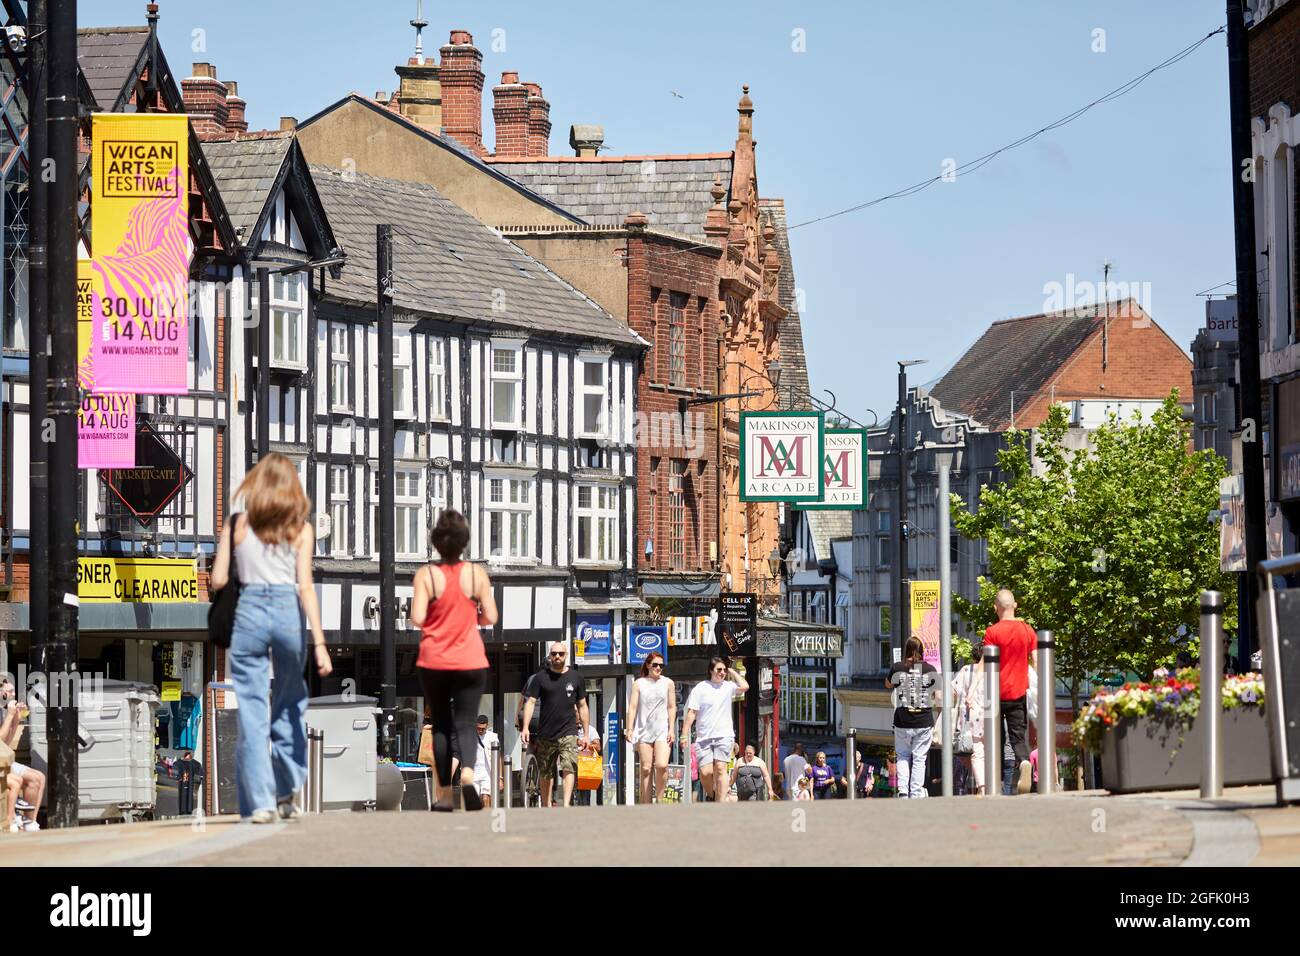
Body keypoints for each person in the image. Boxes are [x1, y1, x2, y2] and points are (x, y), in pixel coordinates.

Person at [211, 453, 333, 824]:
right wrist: (320, 643)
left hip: (248, 610)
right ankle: (286, 789)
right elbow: (306, 588)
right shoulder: (301, 529)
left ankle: (260, 803)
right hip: (285, 611)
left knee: (251, 710)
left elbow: (217, 580)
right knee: (290, 701)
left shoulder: (236, 524)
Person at [408, 510, 498, 813]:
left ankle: (445, 795)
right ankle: (470, 775)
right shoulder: (476, 574)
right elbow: (491, 616)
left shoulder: (427, 575)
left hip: (434, 660)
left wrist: (436, 615)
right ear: (464, 542)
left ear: (436, 543)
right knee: (467, 723)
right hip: (470, 659)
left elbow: (417, 617)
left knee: (442, 726)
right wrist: (471, 614)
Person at [972, 589, 1036, 795]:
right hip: (1018, 693)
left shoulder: (992, 632)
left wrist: (971, 690)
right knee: (1018, 736)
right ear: (1015, 605)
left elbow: (984, 662)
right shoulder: (1028, 630)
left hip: (995, 695)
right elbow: (1036, 661)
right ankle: (1024, 761)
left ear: (995, 608)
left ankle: (996, 783)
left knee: (995, 740)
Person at [521, 642, 588, 808]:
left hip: (569, 731)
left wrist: (586, 733)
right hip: (546, 732)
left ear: (566, 656)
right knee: (546, 772)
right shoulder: (540, 678)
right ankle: (546, 804)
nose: (557, 657)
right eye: (554, 654)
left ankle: (565, 805)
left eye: (560, 654)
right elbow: (530, 702)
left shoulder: (576, 678)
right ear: (549, 656)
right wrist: (525, 727)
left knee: (569, 766)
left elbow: (582, 705)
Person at [680, 658, 748, 803]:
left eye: (724, 670)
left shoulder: (728, 686)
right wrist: (684, 734)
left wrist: (732, 671)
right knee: (706, 772)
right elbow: (692, 712)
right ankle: (712, 795)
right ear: (711, 670)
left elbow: (745, 686)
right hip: (704, 737)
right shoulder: (700, 688)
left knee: (720, 768)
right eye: (719, 670)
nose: (722, 673)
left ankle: (720, 803)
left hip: (724, 735)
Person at [885, 635, 938, 798]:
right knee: (919, 758)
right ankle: (915, 792)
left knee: (903, 755)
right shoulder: (930, 669)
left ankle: (902, 791)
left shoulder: (898, 667)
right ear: (922, 651)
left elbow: (888, 684)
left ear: (906, 650)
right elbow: (936, 693)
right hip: (923, 720)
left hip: (902, 720)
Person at [626, 651, 676, 804]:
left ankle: (660, 800)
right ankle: (645, 803)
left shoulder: (668, 683)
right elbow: (633, 707)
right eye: (655, 665)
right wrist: (630, 729)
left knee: (661, 765)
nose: (658, 668)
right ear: (648, 665)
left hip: (662, 729)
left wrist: (671, 729)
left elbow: (672, 706)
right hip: (643, 730)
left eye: (661, 665)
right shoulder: (639, 683)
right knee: (646, 768)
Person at [1, 676, 42, 831]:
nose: (13, 695)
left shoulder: (3, 711)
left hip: (4, 759)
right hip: (2, 763)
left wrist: (16, 717)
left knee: (40, 777)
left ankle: (30, 821)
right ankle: (13, 819)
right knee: (27, 779)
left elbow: (5, 744)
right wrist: (11, 715)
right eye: (10, 692)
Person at [951, 645, 986, 796]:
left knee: (976, 753)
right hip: (991, 714)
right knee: (989, 751)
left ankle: (982, 786)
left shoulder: (966, 670)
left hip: (970, 717)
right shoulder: (992, 670)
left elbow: (953, 691)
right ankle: (986, 783)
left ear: (973, 657)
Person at [473, 716, 500, 808]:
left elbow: (497, 758)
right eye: (478, 728)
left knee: (485, 798)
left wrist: (500, 778)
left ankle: (486, 820)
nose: (480, 731)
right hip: (473, 773)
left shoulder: (493, 737)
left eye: (483, 729)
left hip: (487, 773)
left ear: (487, 726)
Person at [175, 750, 204, 817]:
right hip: (181, 791)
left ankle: (189, 812)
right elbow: (174, 774)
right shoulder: (178, 764)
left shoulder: (196, 764)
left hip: (191, 791)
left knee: (190, 802)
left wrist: (199, 780)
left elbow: (200, 776)